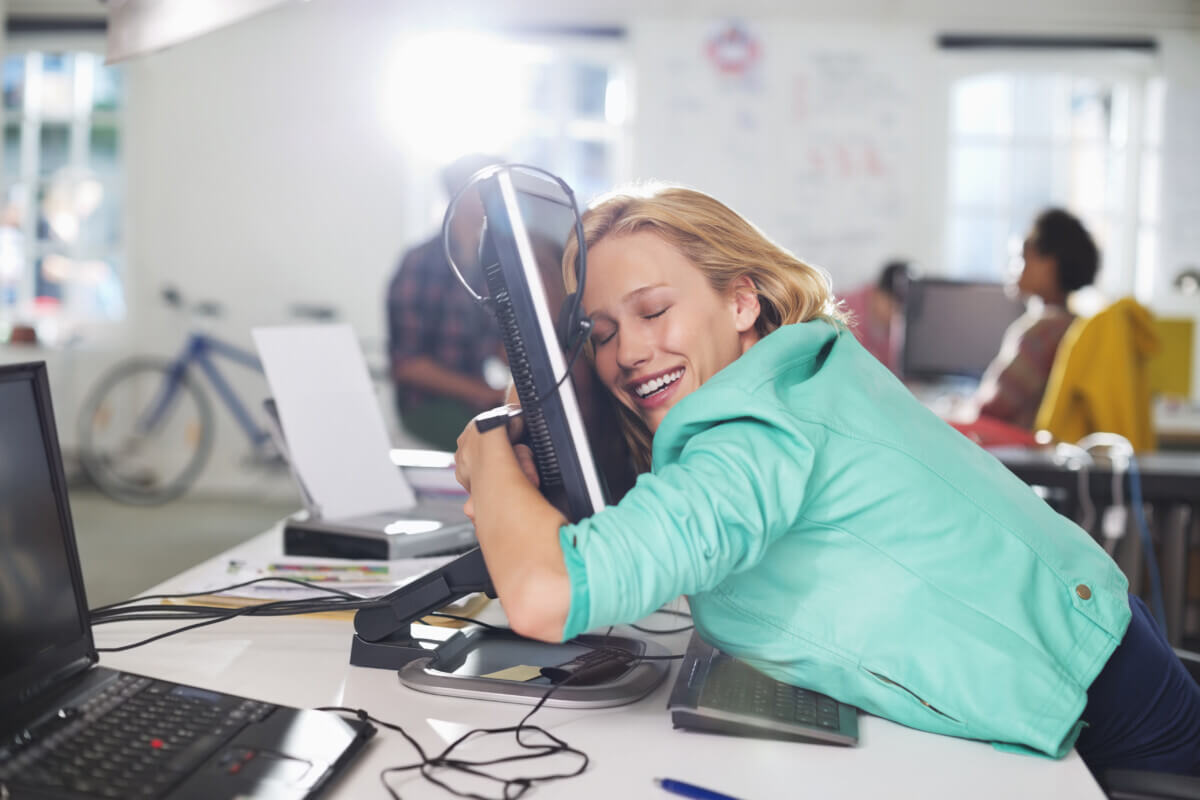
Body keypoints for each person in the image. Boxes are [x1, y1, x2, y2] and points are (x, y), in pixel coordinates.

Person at [453, 185, 1200, 777]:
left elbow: (548, 596)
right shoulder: (791, 373)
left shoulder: (755, 429)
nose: (630, 354)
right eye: (604, 334)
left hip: (1110, 715)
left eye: (653, 310)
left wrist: (488, 450)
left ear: (741, 300)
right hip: (1095, 645)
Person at [386, 154, 508, 451]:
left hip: (474, 402)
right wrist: (487, 393)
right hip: (426, 407)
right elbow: (408, 365)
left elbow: (498, 342)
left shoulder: (489, 265)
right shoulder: (419, 263)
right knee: (502, 450)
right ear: (461, 192)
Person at [970, 208, 1099, 430]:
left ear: (1049, 264)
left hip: (1016, 454)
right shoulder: (1079, 327)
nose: (1013, 267)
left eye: (1022, 257)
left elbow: (992, 408)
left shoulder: (1039, 333)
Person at [839, 259, 911, 374]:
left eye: (901, 311)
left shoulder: (890, 326)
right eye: (892, 306)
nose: (895, 315)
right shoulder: (843, 311)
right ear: (877, 292)